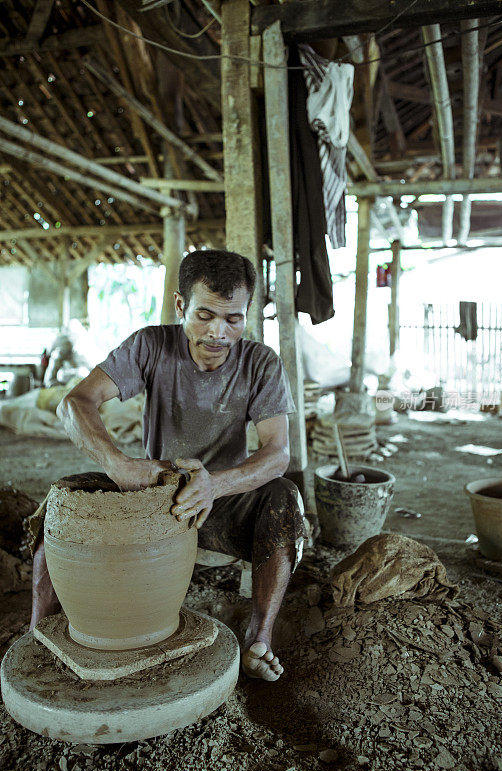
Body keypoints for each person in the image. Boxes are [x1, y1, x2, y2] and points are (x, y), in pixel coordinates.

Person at [30, 249, 306, 682]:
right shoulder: (150, 345)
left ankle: (259, 637)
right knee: (64, 499)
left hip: (219, 503)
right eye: (204, 315)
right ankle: (38, 630)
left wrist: (214, 485)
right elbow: (74, 403)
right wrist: (120, 466)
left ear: (247, 313)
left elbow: (278, 454)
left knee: (284, 497)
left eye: (233, 318)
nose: (218, 332)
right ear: (181, 306)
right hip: (151, 499)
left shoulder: (260, 362)